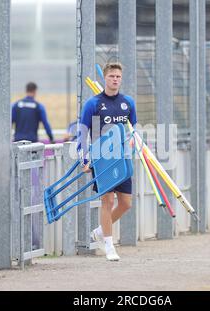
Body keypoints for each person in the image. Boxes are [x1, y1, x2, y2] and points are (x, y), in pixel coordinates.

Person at [77, 62, 137, 261]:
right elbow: (83, 132)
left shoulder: (128, 102)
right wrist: (84, 158)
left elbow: (134, 130)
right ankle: (109, 246)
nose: (115, 79)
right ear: (105, 78)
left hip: (122, 159)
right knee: (107, 200)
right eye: (111, 76)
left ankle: (101, 231)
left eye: (118, 76)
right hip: (102, 158)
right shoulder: (93, 103)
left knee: (126, 203)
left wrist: (135, 145)